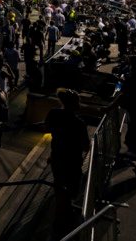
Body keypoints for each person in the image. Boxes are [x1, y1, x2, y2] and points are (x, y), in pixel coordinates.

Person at [45, 88, 90, 236]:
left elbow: (48, 128)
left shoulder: (53, 114)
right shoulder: (79, 123)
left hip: (57, 157)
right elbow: (86, 146)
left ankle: (61, 216)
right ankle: (61, 222)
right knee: (71, 188)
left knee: (60, 186)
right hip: (72, 161)